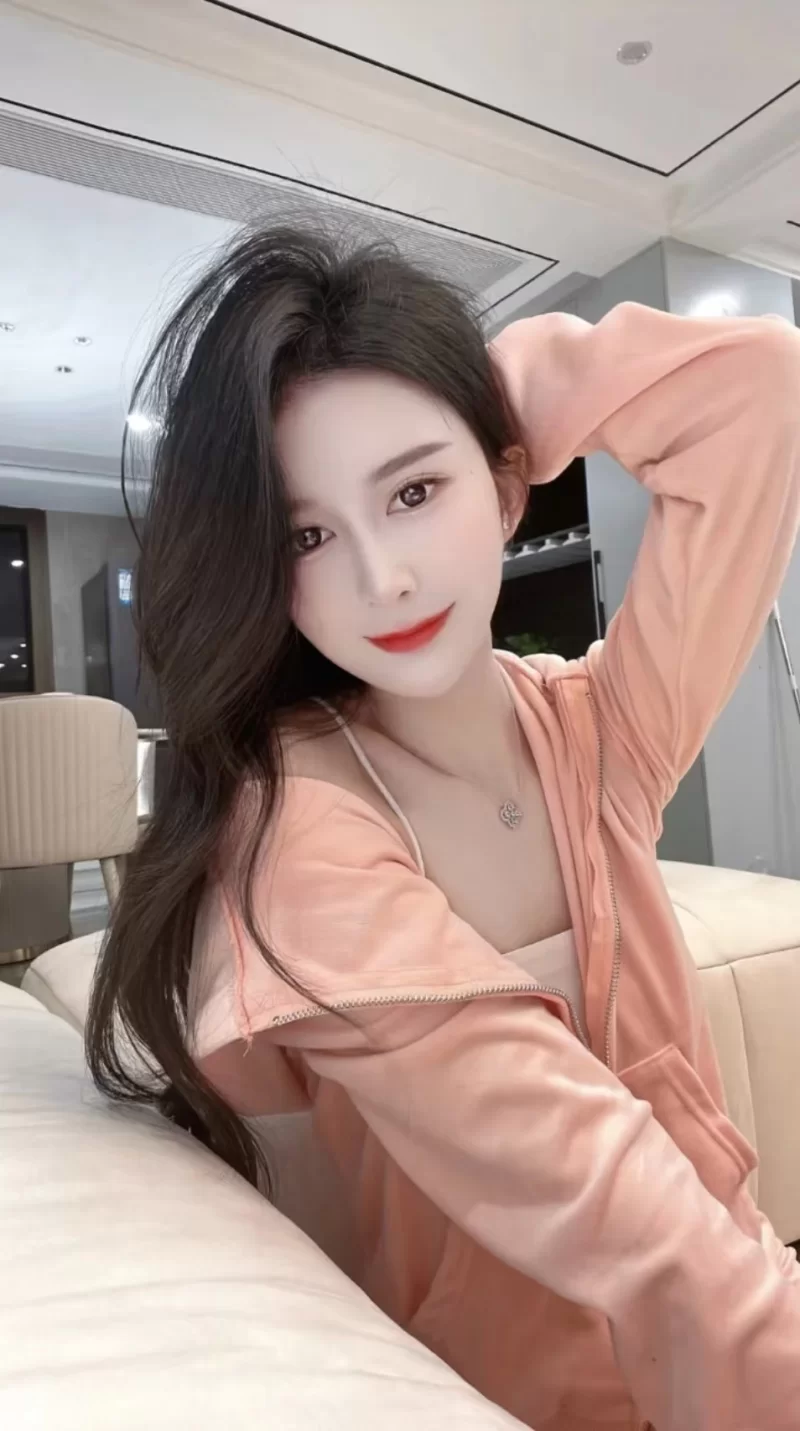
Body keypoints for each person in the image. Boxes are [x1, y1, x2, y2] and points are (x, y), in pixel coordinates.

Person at [87, 226, 800, 1431]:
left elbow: (762, 388)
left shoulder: (593, 731)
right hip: (509, 1394)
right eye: (307, 535)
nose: (385, 580)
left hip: (724, 1326)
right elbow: (626, 1215)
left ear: (508, 485)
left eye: (414, 491)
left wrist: (492, 395)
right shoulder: (298, 837)